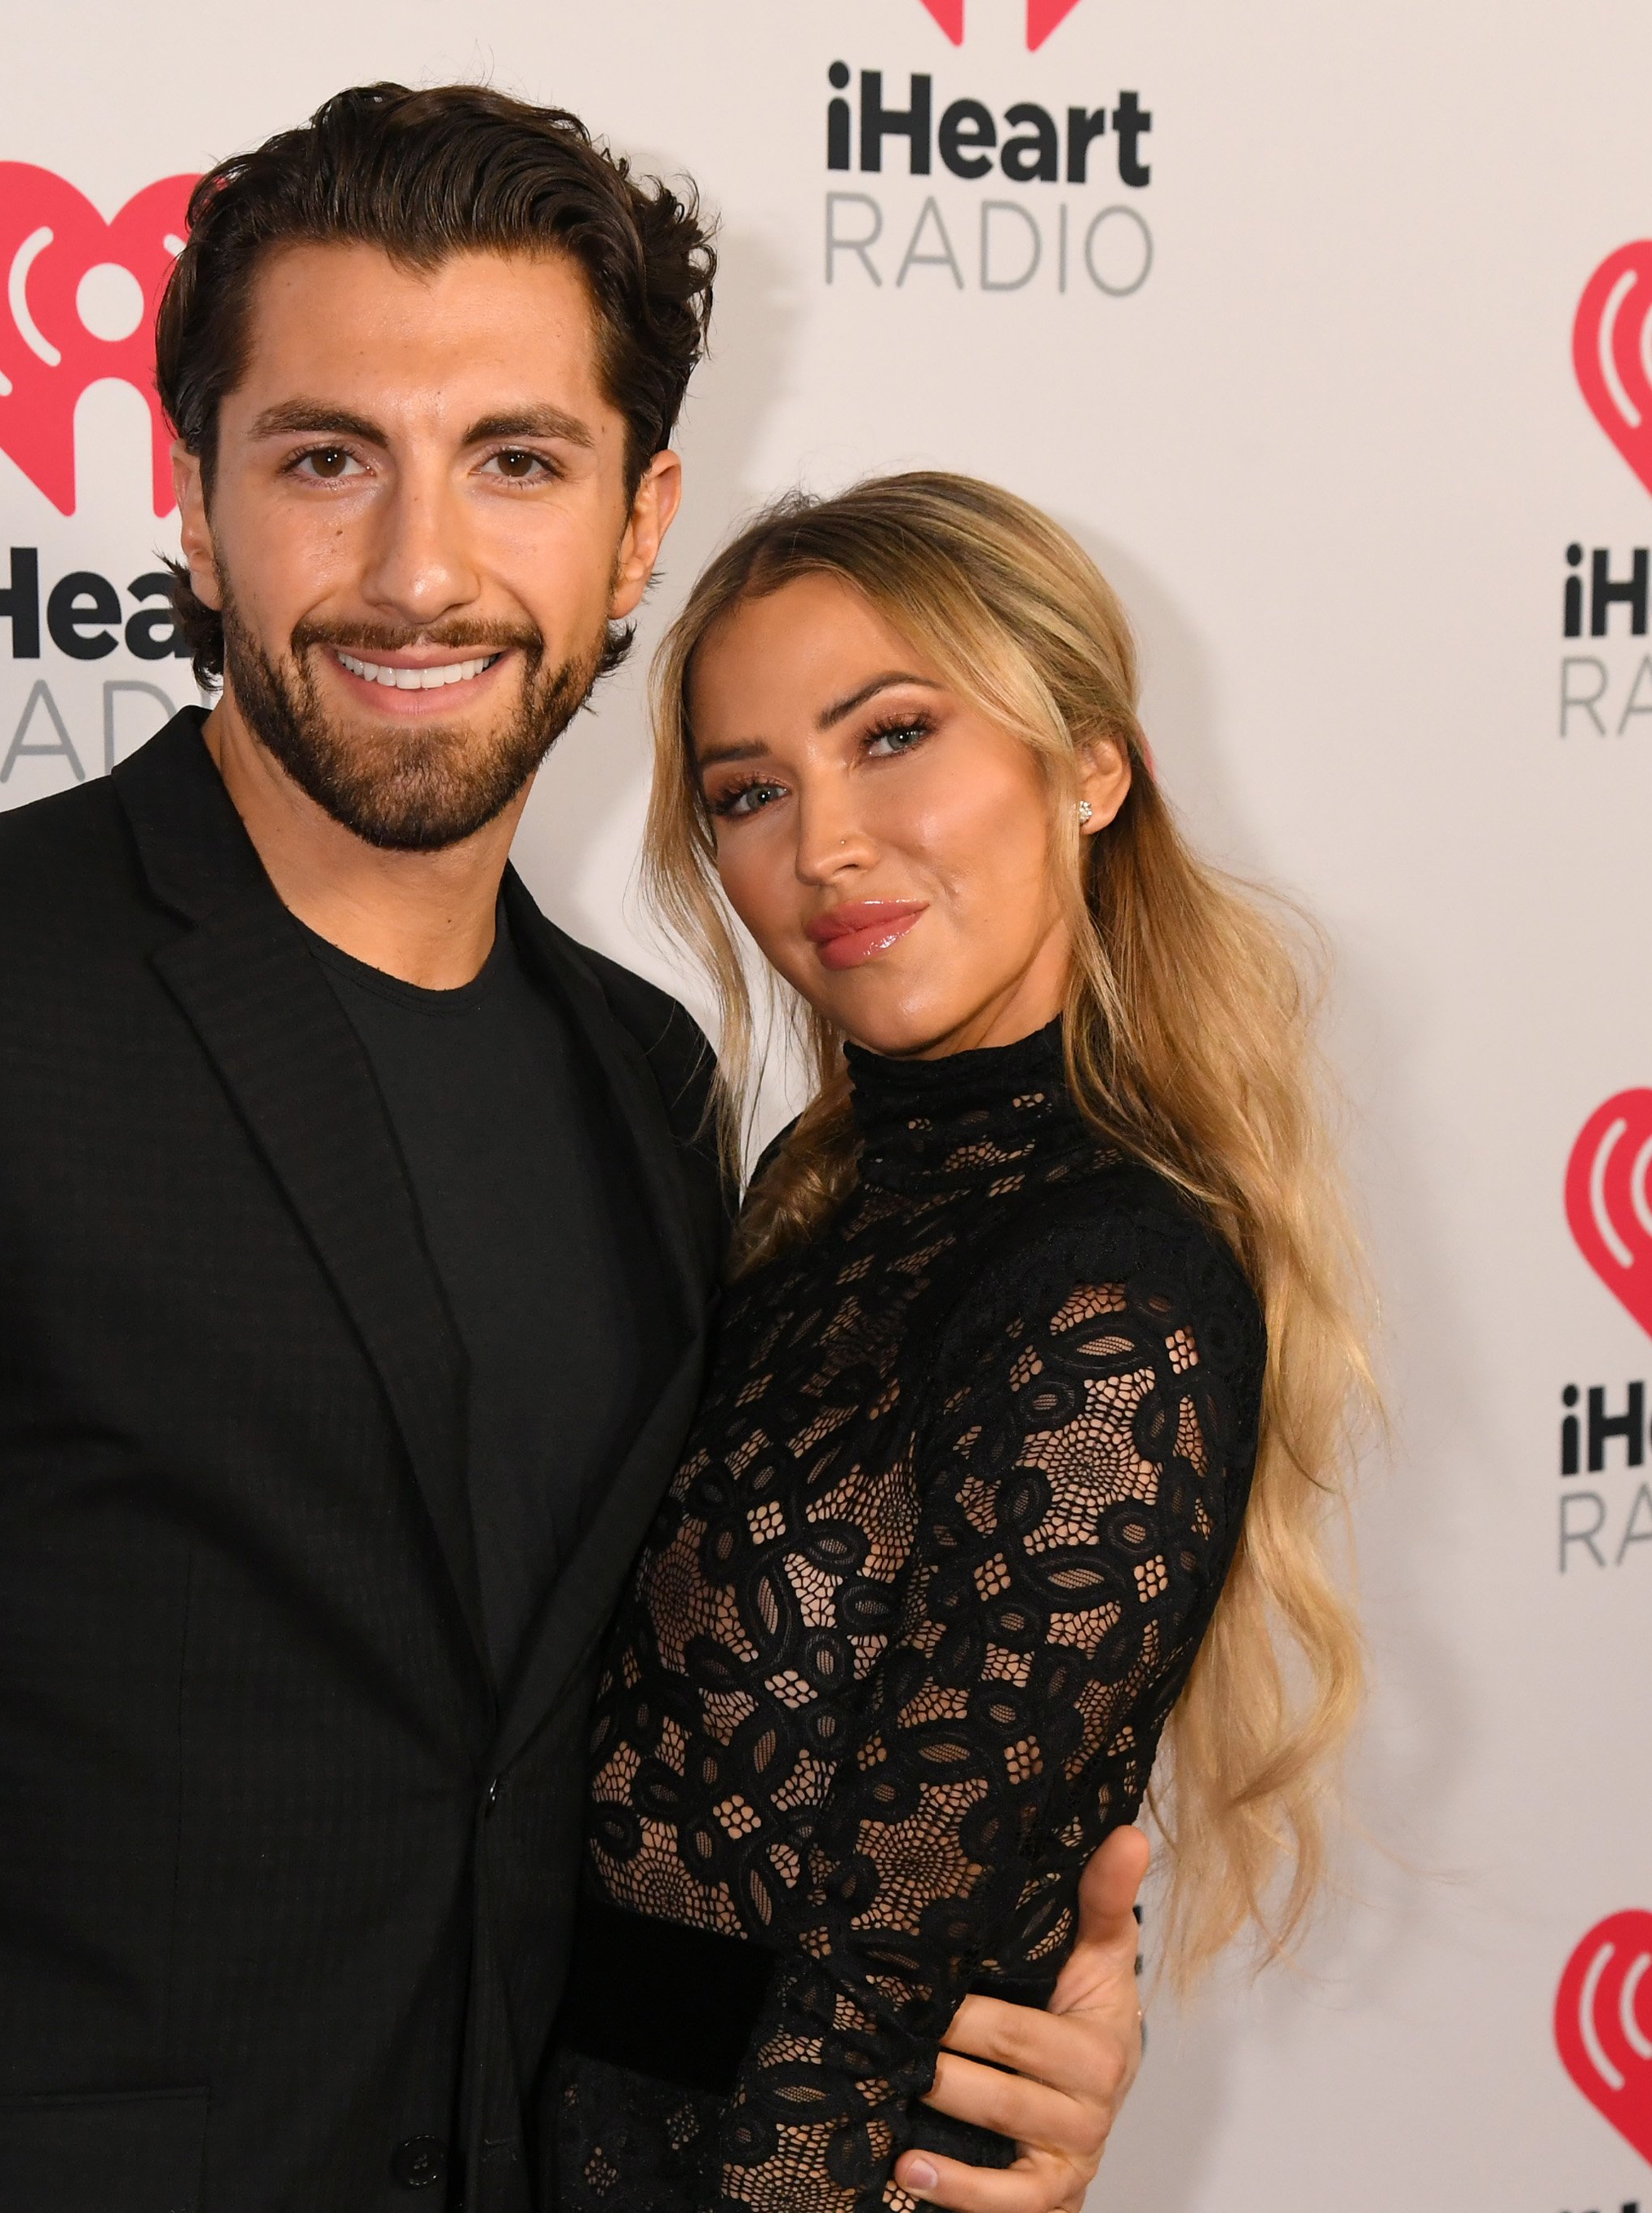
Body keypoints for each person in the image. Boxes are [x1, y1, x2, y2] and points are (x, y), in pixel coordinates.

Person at [0, 90, 1142, 2213]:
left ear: (640, 525)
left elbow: (587, 1816)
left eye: (516, 462)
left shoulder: (643, 1078)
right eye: (325, 458)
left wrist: (979, 2051)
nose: (419, 570)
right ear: (193, 501)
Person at [540, 475, 1375, 2211]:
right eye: (747, 792)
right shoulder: (802, 1201)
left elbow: (863, 2011)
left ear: (1087, 764)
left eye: (893, 735)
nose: (822, 846)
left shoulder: (1107, 1291)